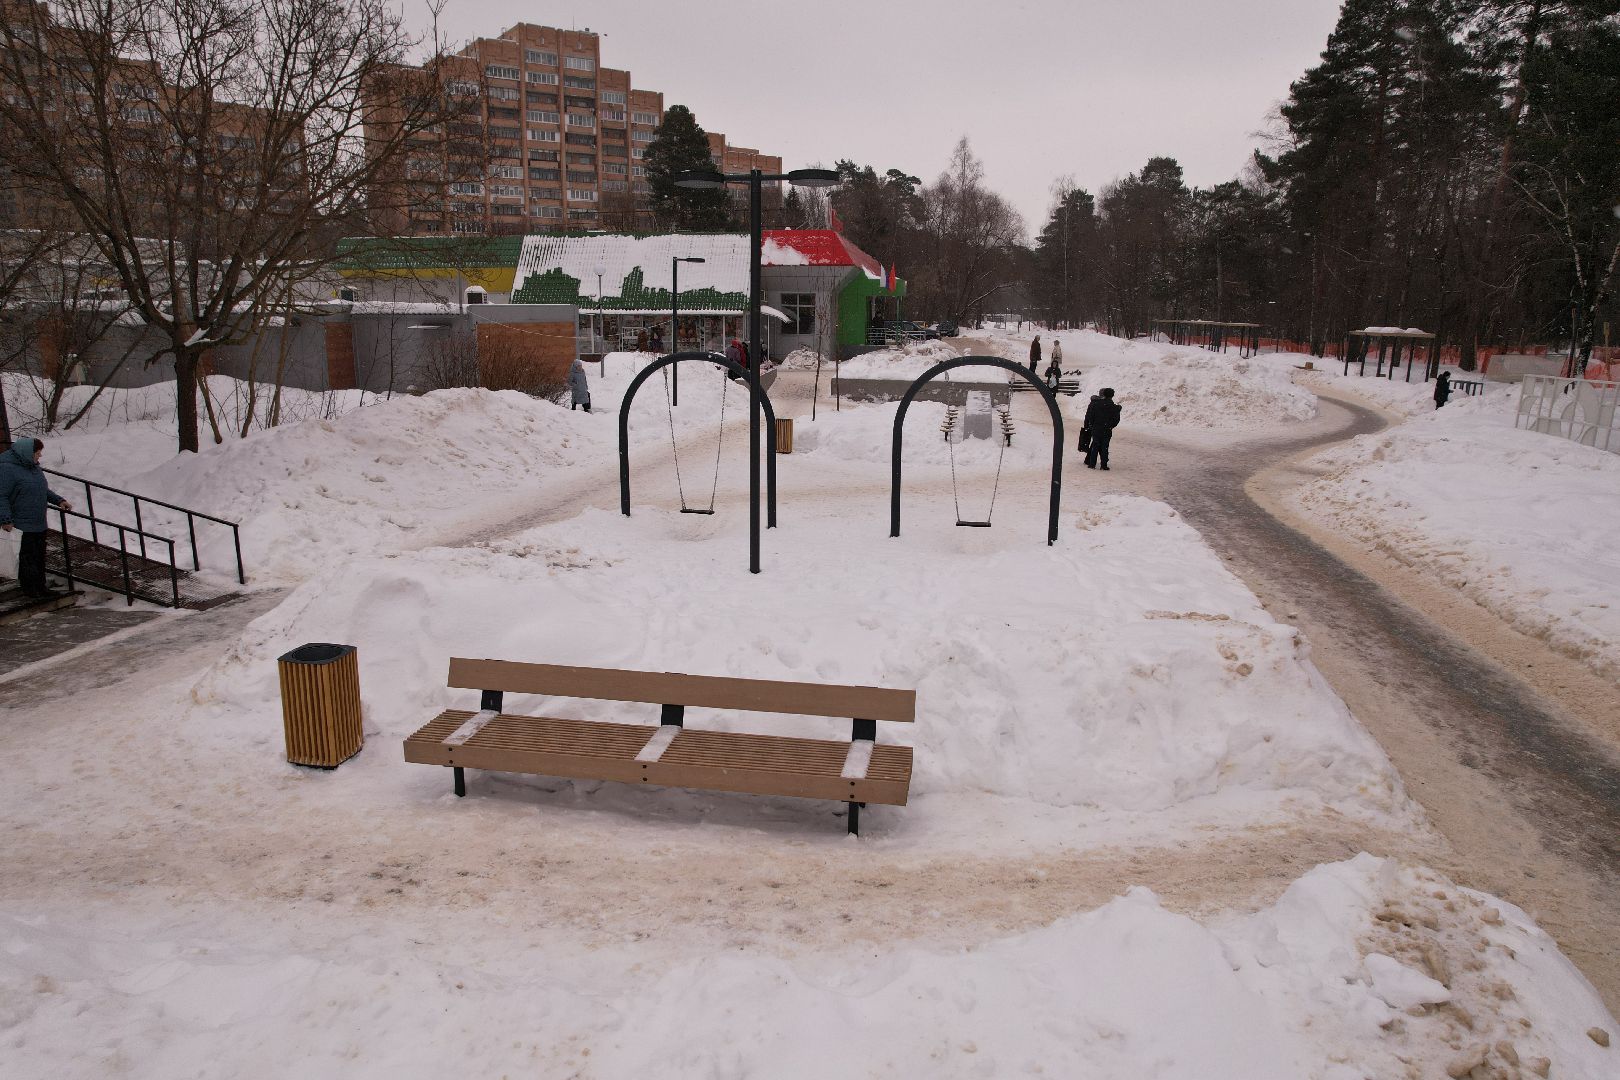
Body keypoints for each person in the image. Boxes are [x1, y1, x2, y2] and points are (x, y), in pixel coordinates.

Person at [1, 436, 73, 598]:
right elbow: (1, 496)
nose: (39, 456)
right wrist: (5, 519)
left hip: (38, 522)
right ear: (26, 452)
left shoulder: (33, 467)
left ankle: (40, 587)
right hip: (20, 524)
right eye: (37, 452)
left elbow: (42, 490)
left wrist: (59, 500)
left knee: (39, 556)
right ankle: (31, 589)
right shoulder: (7, 469)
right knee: (27, 559)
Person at [1081, 387, 1121, 470]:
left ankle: (1092, 464)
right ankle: (1104, 465)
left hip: (1096, 428)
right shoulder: (1113, 407)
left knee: (1095, 445)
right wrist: (1110, 426)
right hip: (1107, 429)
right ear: (1112, 396)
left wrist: (1092, 425)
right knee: (1105, 447)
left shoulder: (1096, 404)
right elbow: (1116, 419)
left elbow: (1091, 416)